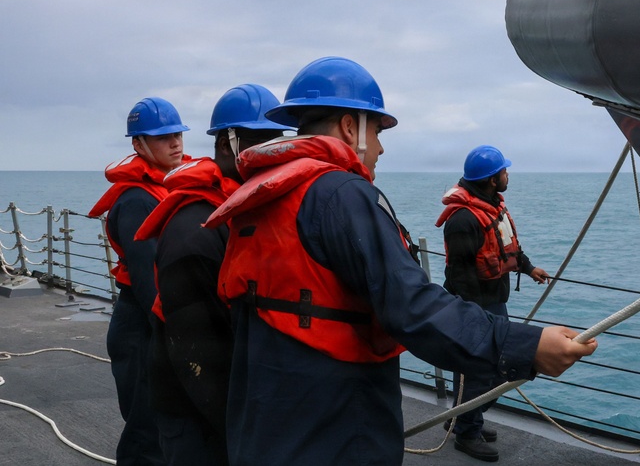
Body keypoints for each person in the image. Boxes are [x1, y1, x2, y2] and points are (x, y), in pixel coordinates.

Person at [203, 56, 597, 466]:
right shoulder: (342, 195)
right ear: (350, 127)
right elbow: (411, 304)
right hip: (337, 419)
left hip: (268, 416)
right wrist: (525, 346)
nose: (380, 147)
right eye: (375, 130)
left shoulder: (264, 196)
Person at [135, 84, 291, 466]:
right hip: (193, 404)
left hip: (233, 389)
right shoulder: (195, 228)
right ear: (225, 145)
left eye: (275, 142)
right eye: (257, 143)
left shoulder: (241, 211)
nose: (270, 154)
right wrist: (238, 427)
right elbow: (197, 354)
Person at [89, 97, 190, 466]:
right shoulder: (136, 201)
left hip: (153, 319)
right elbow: (149, 282)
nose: (176, 143)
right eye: (164, 137)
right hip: (141, 326)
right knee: (145, 431)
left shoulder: (166, 187)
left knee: (163, 425)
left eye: (177, 134)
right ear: (138, 145)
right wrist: (176, 338)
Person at [435, 145, 548, 461]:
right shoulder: (463, 220)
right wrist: (474, 316)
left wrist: (529, 268)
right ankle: (466, 432)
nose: (507, 174)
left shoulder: (492, 206)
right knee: (485, 372)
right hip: (475, 307)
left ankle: (464, 418)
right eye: (503, 171)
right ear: (490, 179)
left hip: (494, 302)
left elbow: (507, 247)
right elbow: (458, 273)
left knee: (489, 372)